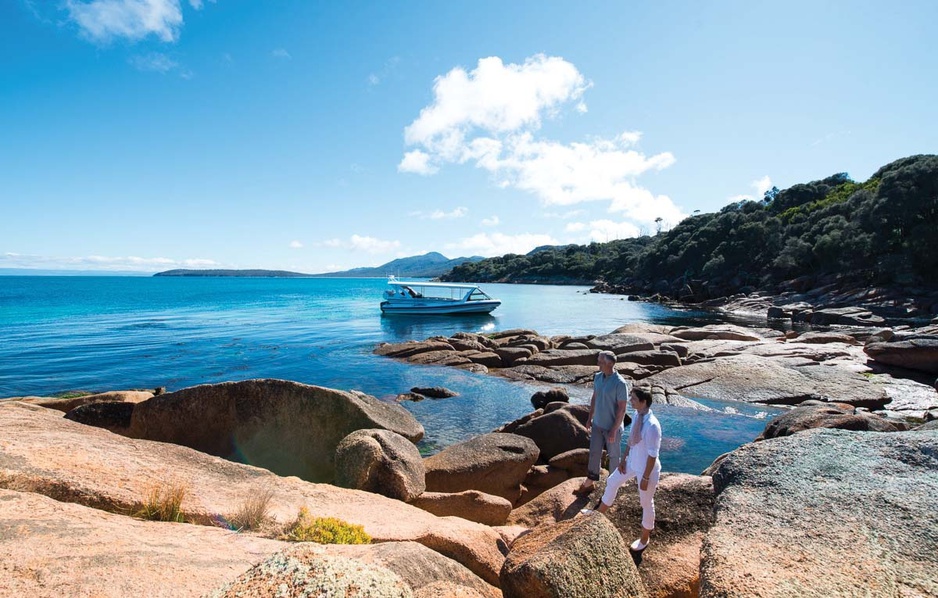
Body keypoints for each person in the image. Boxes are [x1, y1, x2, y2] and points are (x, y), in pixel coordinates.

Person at [587, 384, 662, 552]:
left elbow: (652, 454)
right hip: (632, 462)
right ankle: (598, 514)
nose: (631, 401)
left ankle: (644, 538)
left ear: (643, 402)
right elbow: (631, 441)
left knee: (646, 502)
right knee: (612, 481)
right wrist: (623, 459)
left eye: (634, 399)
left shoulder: (652, 426)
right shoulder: (637, 415)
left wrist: (645, 477)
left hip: (647, 469)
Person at [575, 350, 630, 496]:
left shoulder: (620, 383)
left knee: (613, 456)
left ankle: (613, 484)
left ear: (610, 364)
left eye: (600, 361)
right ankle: (591, 479)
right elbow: (594, 397)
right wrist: (589, 418)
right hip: (598, 424)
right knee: (594, 452)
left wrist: (614, 429)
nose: (598, 363)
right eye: (598, 361)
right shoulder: (598, 377)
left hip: (612, 427)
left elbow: (622, 408)